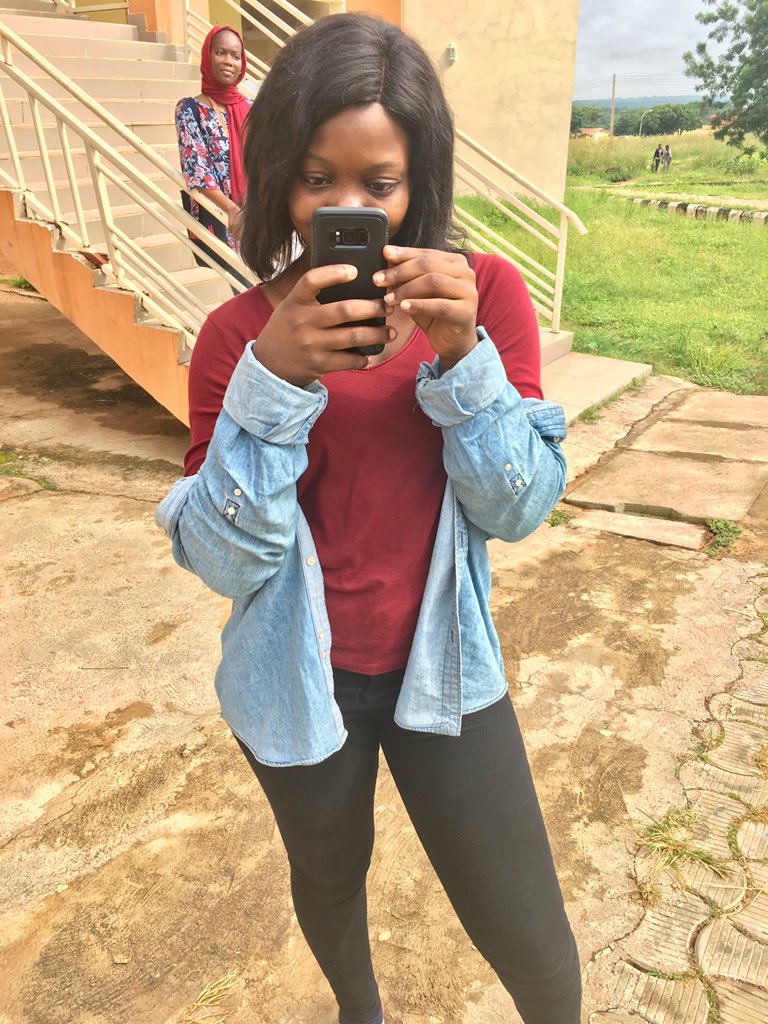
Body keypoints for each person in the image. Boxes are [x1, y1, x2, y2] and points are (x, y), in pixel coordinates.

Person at [157, 13, 580, 1024]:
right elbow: (222, 560)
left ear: (416, 181)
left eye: (378, 184)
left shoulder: (483, 298)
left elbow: (518, 506)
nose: (347, 208)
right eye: (318, 178)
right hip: (295, 683)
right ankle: (362, 1013)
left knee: (532, 934)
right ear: (278, 178)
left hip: (446, 669)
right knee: (330, 876)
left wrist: (462, 358)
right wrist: (272, 379)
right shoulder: (235, 336)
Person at [175, 25, 252, 289]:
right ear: (208, 57)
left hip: (258, 216)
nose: (229, 61)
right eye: (221, 53)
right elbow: (197, 170)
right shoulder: (190, 109)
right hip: (227, 217)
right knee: (246, 291)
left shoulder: (251, 108)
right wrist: (232, 210)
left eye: (235, 56)